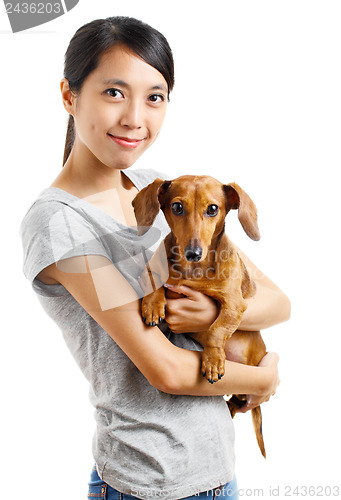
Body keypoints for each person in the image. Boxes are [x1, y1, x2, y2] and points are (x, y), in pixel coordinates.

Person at [20, 16, 290, 500]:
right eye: (114, 93)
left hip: (216, 469)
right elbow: (164, 368)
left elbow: (277, 300)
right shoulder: (61, 224)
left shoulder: (161, 189)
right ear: (69, 96)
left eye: (155, 96)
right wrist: (264, 378)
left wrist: (214, 311)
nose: (135, 119)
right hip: (149, 482)